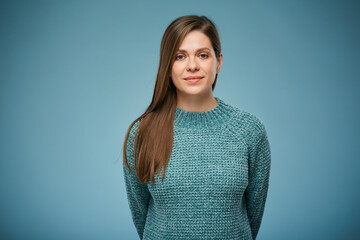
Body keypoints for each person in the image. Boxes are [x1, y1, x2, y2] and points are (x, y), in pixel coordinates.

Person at [122, 15, 271, 240]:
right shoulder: (142, 133)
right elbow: (141, 214)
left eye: (203, 55)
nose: (192, 66)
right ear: (167, 66)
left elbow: (252, 216)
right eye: (179, 56)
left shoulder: (249, 130)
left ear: (219, 61)